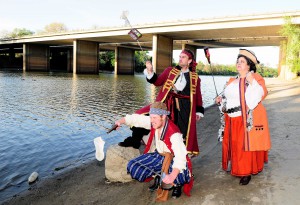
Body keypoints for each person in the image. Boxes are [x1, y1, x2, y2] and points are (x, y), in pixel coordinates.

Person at [118, 50, 204, 157]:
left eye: (183, 57)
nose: (180, 59)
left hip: (185, 108)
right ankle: (135, 140)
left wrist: (199, 111)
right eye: (180, 56)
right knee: (142, 115)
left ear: (190, 60)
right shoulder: (170, 71)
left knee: (179, 132)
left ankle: (177, 156)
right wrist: (150, 71)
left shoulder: (195, 77)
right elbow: (157, 82)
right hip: (165, 103)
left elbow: (198, 96)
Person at [115, 102, 193, 201]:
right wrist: (120, 121)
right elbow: (137, 119)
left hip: (174, 159)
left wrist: (172, 176)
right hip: (159, 155)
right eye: (151, 117)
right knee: (133, 165)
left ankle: (177, 185)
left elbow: (181, 157)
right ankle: (158, 176)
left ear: (163, 116)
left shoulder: (174, 134)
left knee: (178, 175)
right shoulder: (155, 121)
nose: (152, 121)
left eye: (154, 118)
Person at [215, 49, 271, 185]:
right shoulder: (231, 80)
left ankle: (246, 172)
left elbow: (261, 95)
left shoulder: (256, 78)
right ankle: (236, 167)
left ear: (249, 65)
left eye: (242, 61)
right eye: (237, 61)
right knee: (234, 145)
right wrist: (220, 99)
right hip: (231, 117)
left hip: (245, 118)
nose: (238, 64)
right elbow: (227, 97)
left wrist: (252, 82)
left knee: (243, 147)